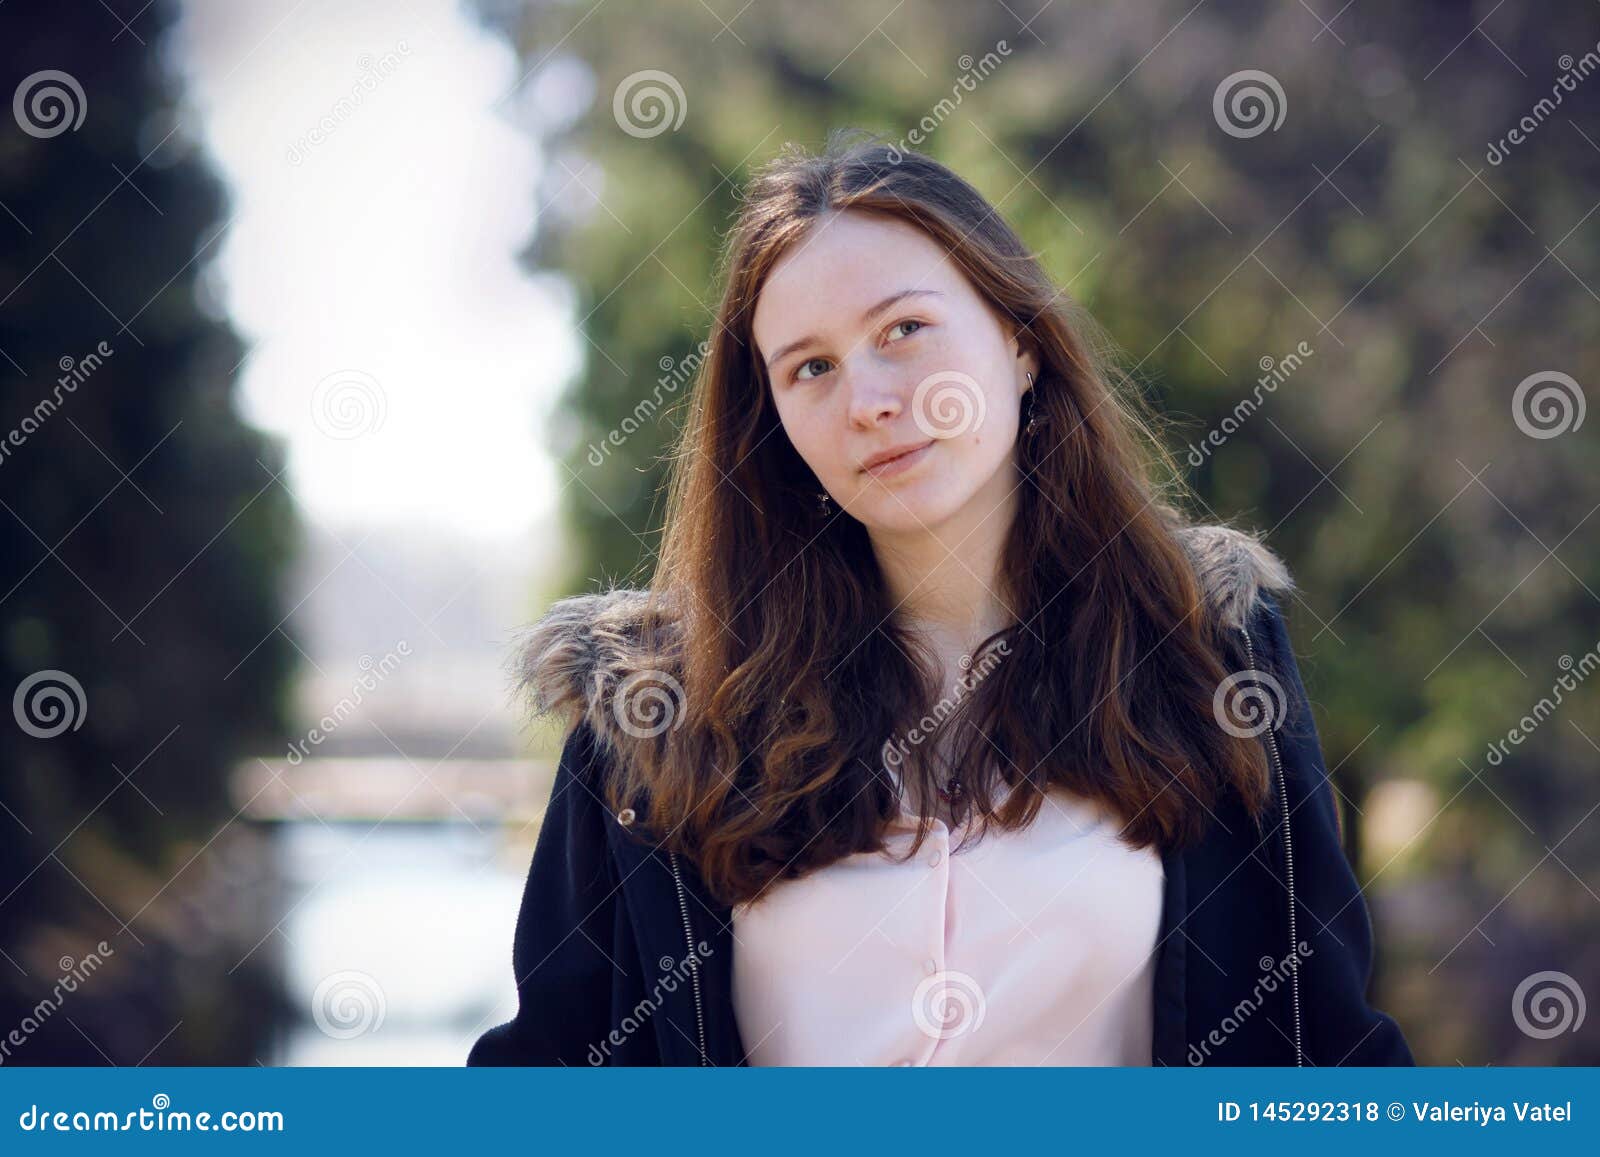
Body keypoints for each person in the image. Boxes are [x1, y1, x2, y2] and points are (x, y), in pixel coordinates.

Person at [467, 131, 1414, 1067]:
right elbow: (549, 1073)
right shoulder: (653, 714)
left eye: (904, 331)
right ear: (775, 420)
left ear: (1020, 342)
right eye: (812, 367)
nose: (869, 399)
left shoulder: (1207, 650)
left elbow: (1326, 1052)